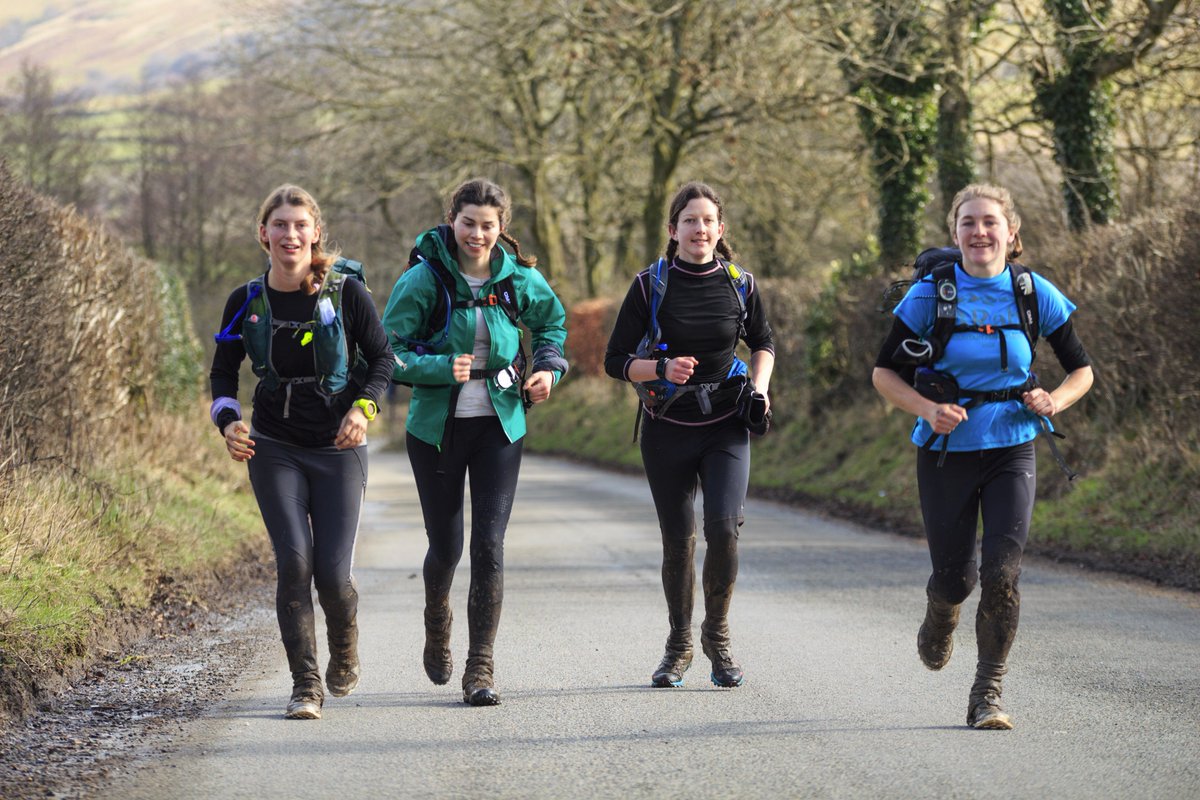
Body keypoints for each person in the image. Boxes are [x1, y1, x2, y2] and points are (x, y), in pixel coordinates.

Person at [872, 183, 1094, 729]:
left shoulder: (1032, 291)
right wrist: (927, 408)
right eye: (968, 222)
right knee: (957, 578)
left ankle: (987, 692)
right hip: (947, 450)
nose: (979, 232)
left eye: (990, 222)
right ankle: (940, 610)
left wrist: (1053, 400)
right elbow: (883, 374)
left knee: (1002, 573)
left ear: (1011, 232)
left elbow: (1081, 370)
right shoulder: (930, 295)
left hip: (1013, 445)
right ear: (955, 233)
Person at [209, 184, 393, 720]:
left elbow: (382, 360)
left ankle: (345, 647)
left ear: (316, 233)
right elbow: (223, 371)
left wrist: (363, 411)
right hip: (274, 447)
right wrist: (228, 421)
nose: (290, 235)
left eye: (300, 225)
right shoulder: (246, 300)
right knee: (294, 563)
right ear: (263, 233)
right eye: (280, 225)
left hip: (339, 447)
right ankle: (305, 685)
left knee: (332, 577)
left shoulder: (346, 293)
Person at [382, 178, 568, 706]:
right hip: (435, 431)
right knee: (447, 548)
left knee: (489, 544)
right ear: (452, 220)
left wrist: (550, 371)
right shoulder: (423, 280)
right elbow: (386, 351)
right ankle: (436, 615)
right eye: (469, 223)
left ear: (502, 228)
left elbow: (553, 326)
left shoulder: (520, 279)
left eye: (488, 226)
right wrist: (441, 367)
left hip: (500, 426)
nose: (478, 234)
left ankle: (480, 666)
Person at [604, 181, 775, 689]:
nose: (699, 229)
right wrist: (658, 368)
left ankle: (716, 638)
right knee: (678, 542)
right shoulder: (648, 285)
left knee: (724, 529)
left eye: (708, 221)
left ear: (720, 230)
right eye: (689, 220)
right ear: (673, 229)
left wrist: (759, 389)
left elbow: (762, 341)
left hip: (725, 425)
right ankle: (679, 644)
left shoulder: (740, 284)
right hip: (668, 428)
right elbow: (615, 361)